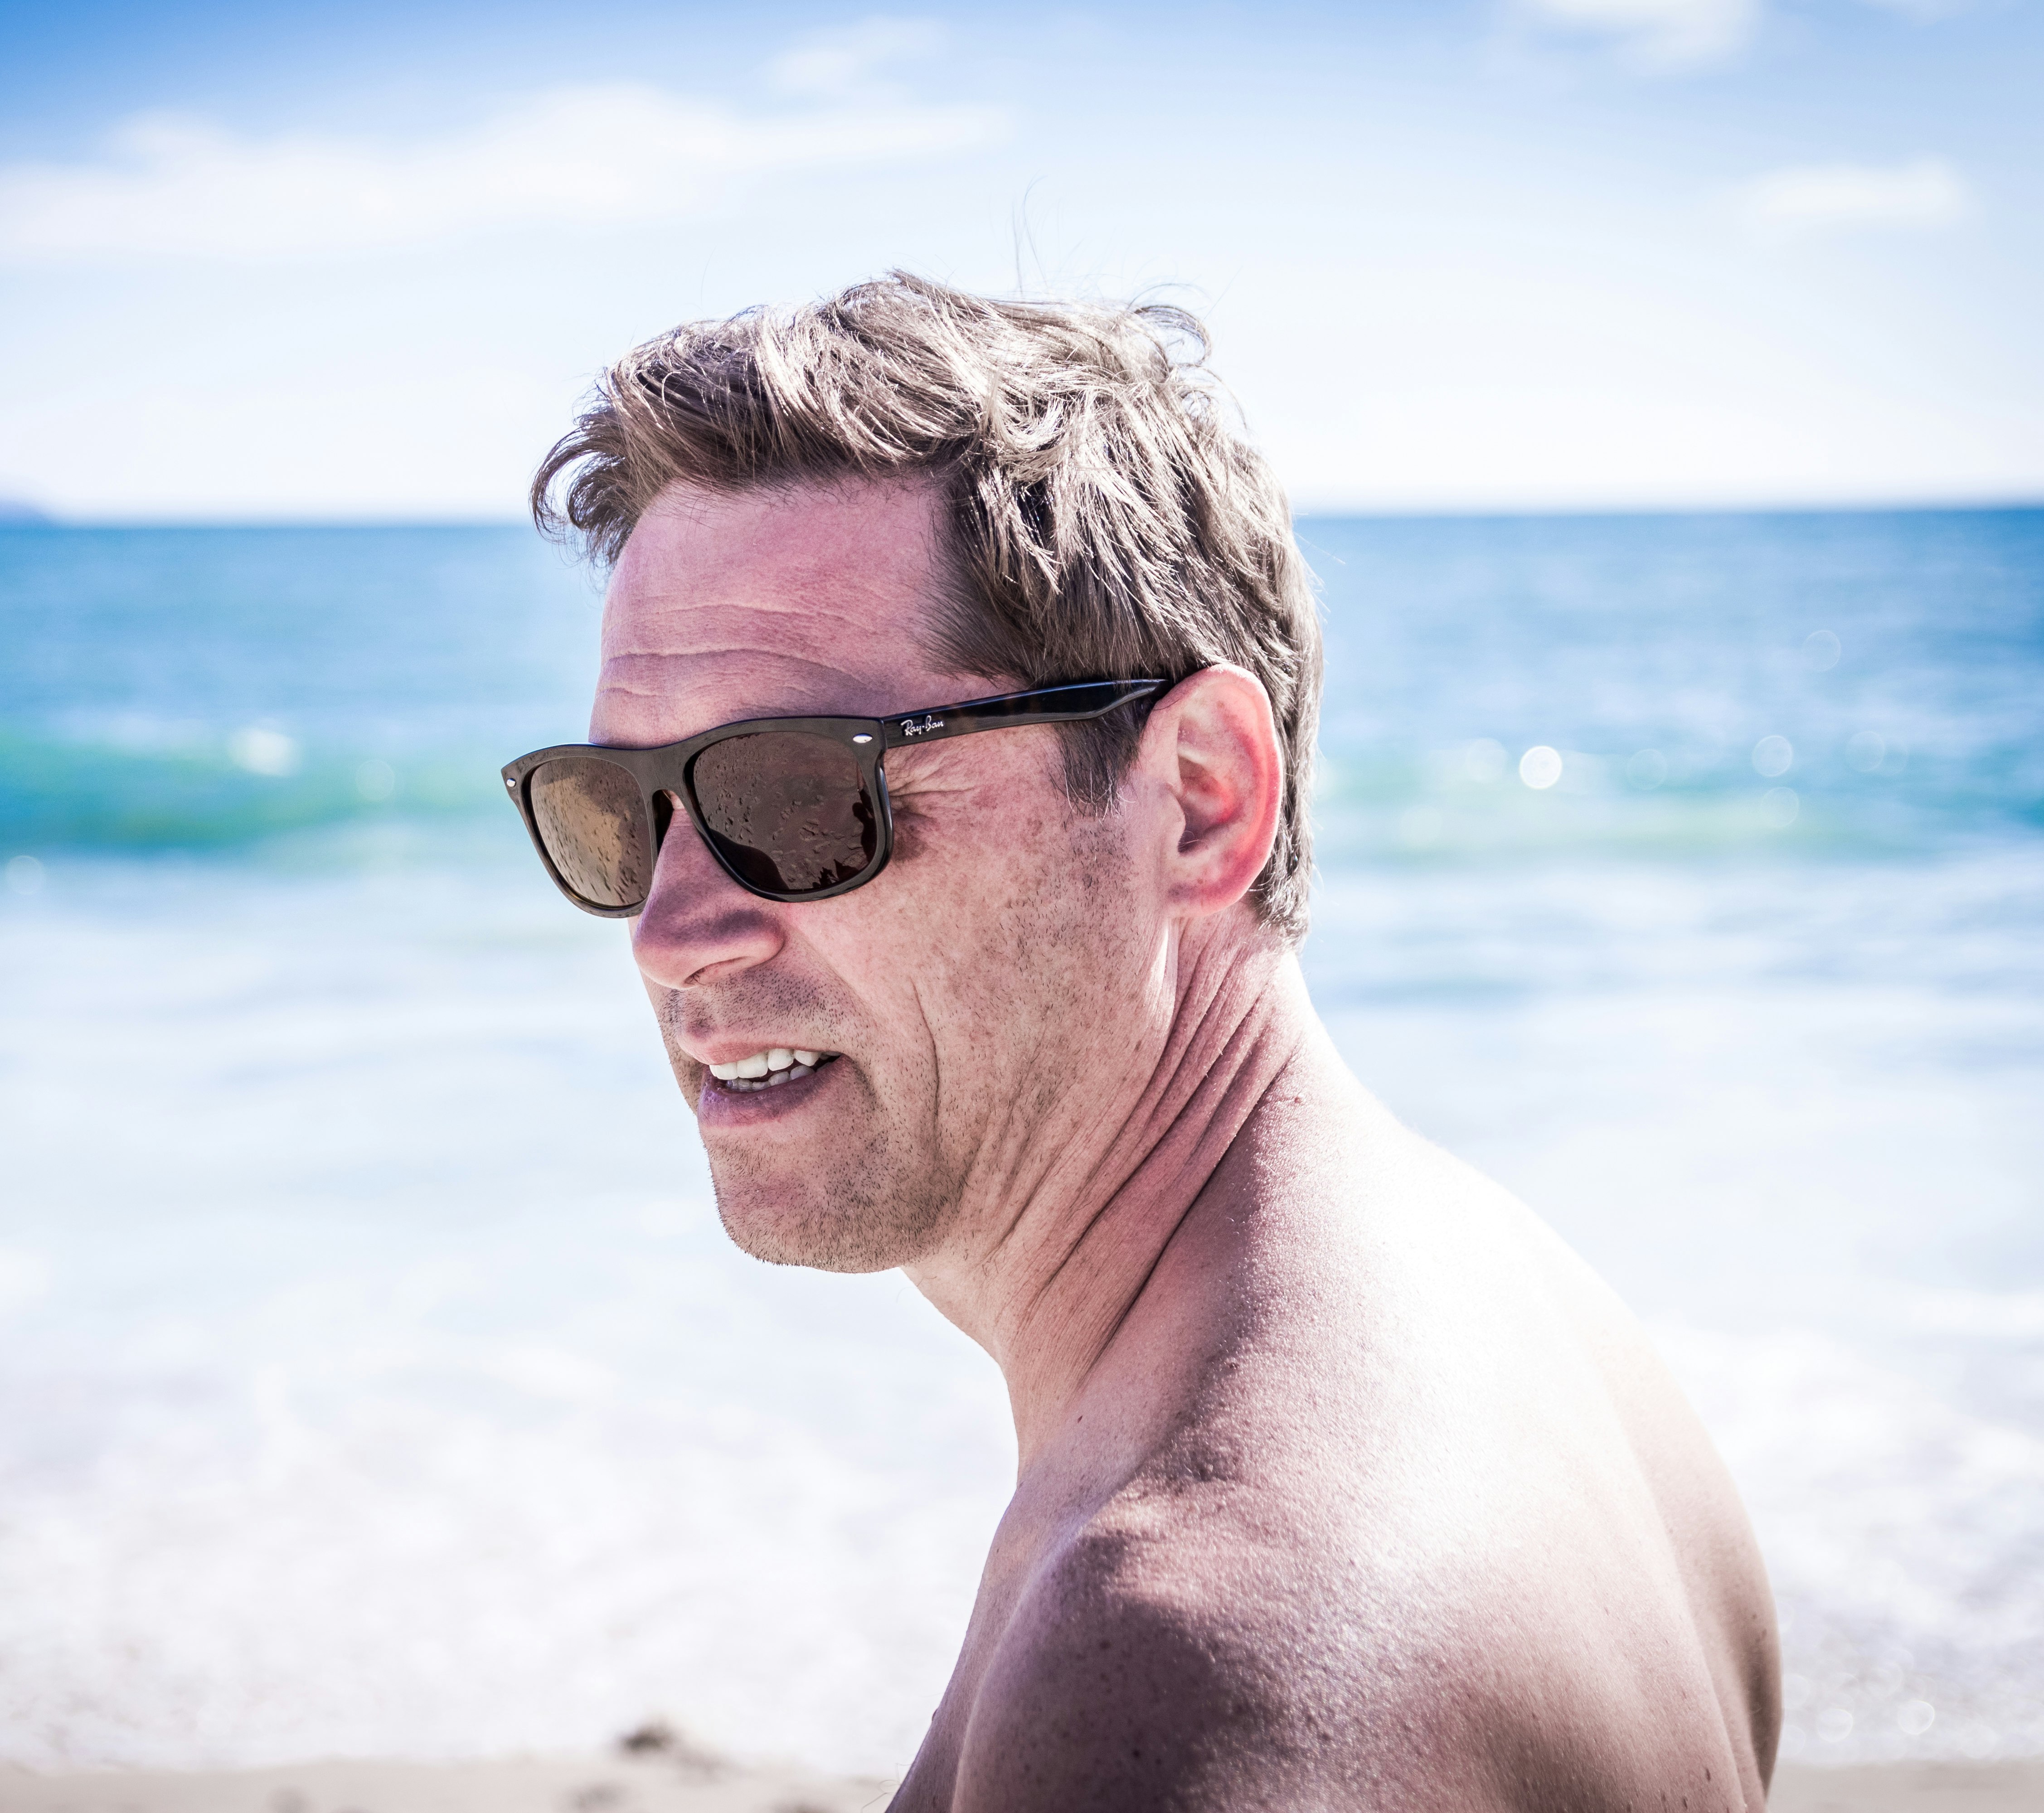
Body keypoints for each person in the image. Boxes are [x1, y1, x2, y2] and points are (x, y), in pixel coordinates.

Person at [503, 273, 1779, 1811]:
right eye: (619, 812)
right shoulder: (1515, 1304)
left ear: (1201, 798)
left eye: (793, 796)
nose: (669, 930)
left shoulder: (1192, 1651)